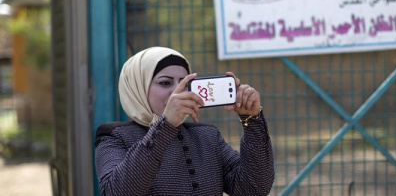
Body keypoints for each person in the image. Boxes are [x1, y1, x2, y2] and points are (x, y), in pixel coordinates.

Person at [95, 47, 274, 196]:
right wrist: (165, 126)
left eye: (185, 83)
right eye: (165, 83)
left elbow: (253, 189)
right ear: (137, 88)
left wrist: (252, 120)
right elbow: (117, 191)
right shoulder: (113, 137)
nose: (177, 92)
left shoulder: (207, 136)